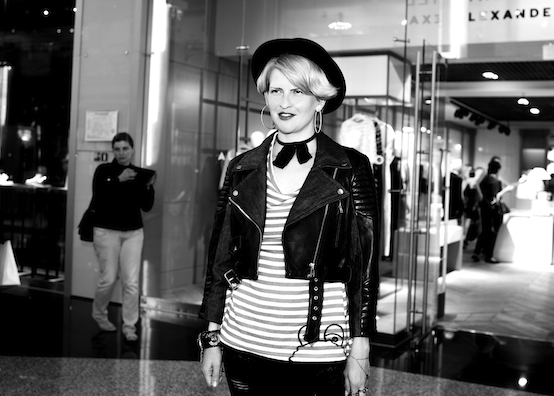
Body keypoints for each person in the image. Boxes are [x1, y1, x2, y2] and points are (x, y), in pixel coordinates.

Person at [198, 38, 379, 396]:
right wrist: (211, 337)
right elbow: (219, 260)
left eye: (297, 91)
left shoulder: (350, 167)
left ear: (320, 99)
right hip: (242, 342)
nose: (284, 102)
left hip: (319, 351)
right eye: (275, 90)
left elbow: (364, 266)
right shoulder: (241, 167)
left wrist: (361, 346)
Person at [90, 132, 156, 342]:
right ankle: (99, 314)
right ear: (113, 151)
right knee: (108, 279)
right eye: (117, 149)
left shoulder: (138, 173)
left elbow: (147, 206)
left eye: (125, 148)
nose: (121, 153)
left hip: (133, 233)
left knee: (131, 282)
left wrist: (148, 187)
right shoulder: (104, 171)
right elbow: (99, 197)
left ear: (132, 149)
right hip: (105, 231)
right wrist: (119, 179)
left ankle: (129, 325)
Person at [472, 160, 515, 263]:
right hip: (493, 209)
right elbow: (496, 197)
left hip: (484, 207)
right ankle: (488, 255)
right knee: (492, 232)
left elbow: (481, 194)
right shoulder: (496, 182)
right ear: (498, 170)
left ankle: (477, 252)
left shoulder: (484, 180)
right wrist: (505, 190)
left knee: (484, 230)